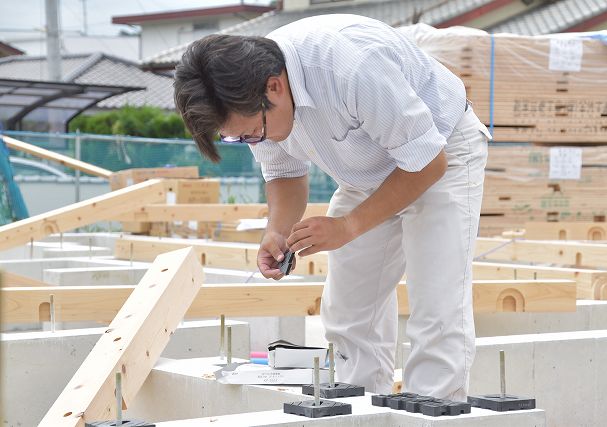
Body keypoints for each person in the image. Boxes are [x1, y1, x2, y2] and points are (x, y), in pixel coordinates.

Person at [174, 14, 490, 401]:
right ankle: (360, 406)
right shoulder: (251, 93)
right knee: (349, 309)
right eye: (240, 138)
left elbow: (427, 163)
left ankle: (435, 408)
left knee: (436, 309)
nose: (251, 140)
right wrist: (277, 229)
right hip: (369, 172)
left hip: (441, 154)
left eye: (252, 132)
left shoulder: (350, 65)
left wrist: (348, 226)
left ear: (274, 87)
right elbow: (285, 173)